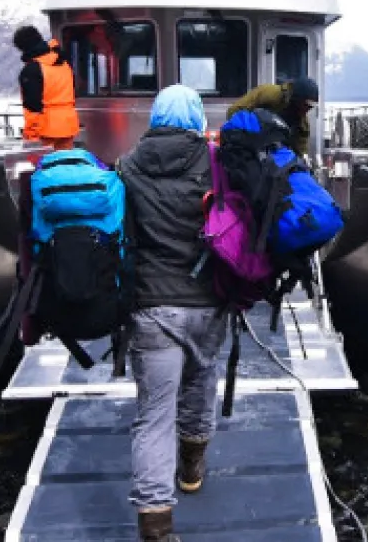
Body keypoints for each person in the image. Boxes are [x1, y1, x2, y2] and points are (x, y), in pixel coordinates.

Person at [117, 84, 226, 542]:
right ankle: (193, 469)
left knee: (154, 414)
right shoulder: (216, 162)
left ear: (155, 117)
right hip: (208, 301)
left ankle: (157, 528)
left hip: (151, 307)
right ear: (198, 118)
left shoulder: (127, 166)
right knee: (201, 385)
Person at [12, 25, 80, 150]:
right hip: (67, 125)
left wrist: (31, 136)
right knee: (64, 165)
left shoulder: (32, 69)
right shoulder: (63, 63)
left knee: (44, 167)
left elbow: (32, 106)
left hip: (45, 130)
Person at [225, 76, 319, 157]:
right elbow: (233, 111)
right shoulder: (269, 94)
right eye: (306, 105)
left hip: (272, 154)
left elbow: (301, 151)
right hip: (247, 143)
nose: (308, 109)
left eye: (311, 107)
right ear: (298, 98)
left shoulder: (302, 123)